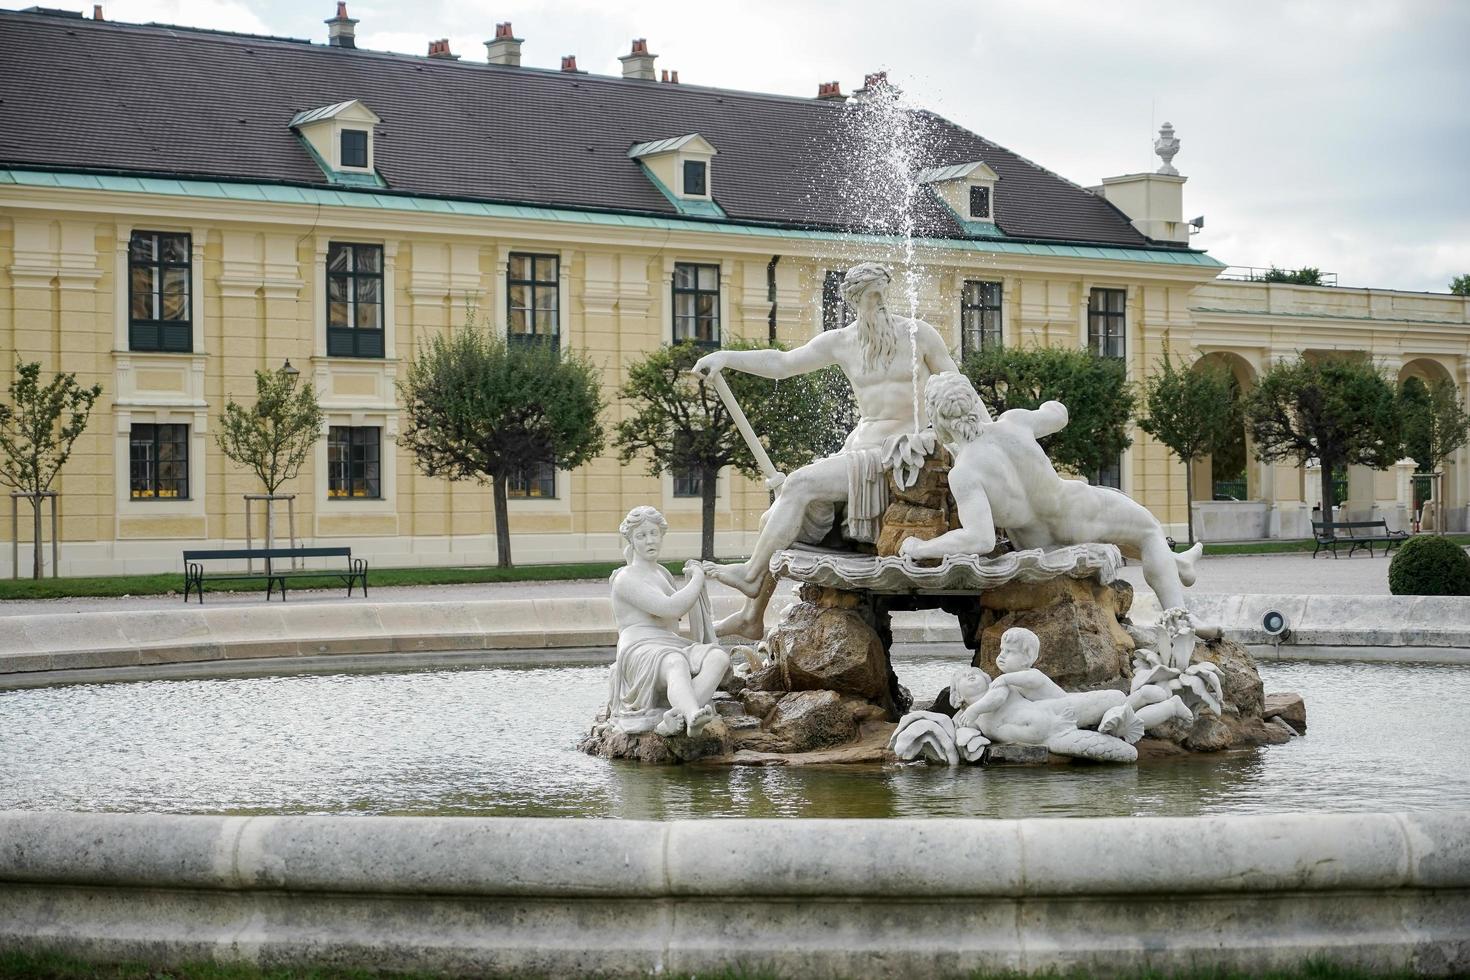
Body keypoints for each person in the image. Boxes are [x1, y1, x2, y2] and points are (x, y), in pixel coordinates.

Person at [691, 263, 958, 637]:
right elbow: (783, 363)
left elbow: (956, 386)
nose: (879, 303)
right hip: (860, 451)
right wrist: (728, 357)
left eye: (882, 293)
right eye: (870, 296)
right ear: (854, 301)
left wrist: (985, 434)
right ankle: (751, 617)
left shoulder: (919, 335)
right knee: (775, 518)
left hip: (900, 452)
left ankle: (752, 575)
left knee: (797, 485)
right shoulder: (842, 341)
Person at [902, 372, 1203, 614]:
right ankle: (1178, 619)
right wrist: (1049, 406)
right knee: (1148, 530)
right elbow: (1059, 416)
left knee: (1130, 534)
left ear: (938, 420)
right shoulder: (1014, 422)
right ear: (972, 401)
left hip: (1039, 544)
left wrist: (921, 547)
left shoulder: (964, 473)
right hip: (1076, 513)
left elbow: (979, 539)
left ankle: (1179, 564)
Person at [606, 506, 731, 737]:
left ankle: (674, 717)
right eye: (641, 536)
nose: (649, 540)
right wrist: (697, 578)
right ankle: (693, 715)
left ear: (662, 535)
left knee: (718, 657)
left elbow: (675, 614)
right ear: (631, 541)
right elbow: (671, 609)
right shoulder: (626, 578)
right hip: (640, 647)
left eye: (653, 533)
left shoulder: (661, 573)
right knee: (675, 662)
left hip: (670, 642)